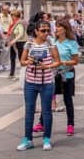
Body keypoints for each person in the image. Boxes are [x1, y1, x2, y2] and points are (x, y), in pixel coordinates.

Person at [17, 20, 60, 151]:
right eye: (42, 31)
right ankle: (28, 139)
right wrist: (28, 61)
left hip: (46, 82)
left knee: (46, 111)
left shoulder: (51, 44)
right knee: (29, 111)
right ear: (36, 31)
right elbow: (22, 62)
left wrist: (46, 66)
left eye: (47, 30)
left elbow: (58, 62)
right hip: (30, 82)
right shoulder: (29, 44)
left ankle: (47, 138)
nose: (46, 33)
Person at [53, 20, 80, 136]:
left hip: (67, 75)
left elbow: (76, 61)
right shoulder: (53, 42)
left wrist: (63, 62)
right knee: (47, 98)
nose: (57, 29)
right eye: (56, 27)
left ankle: (70, 124)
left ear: (65, 29)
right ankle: (42, 122)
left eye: (59, 27)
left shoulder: (72, 43)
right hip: (54, 74)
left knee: (67, 100)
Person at [7, 10, 27, 80]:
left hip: (20, 43)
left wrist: (14, 40)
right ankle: (11, 73)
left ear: (15, 16)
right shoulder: (14, 23)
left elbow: (21, 34)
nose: (11, 17)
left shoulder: (20, 23)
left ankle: (24, 75)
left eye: (12, 16)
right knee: (12, 58)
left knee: (21, 59)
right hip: (14, 43)